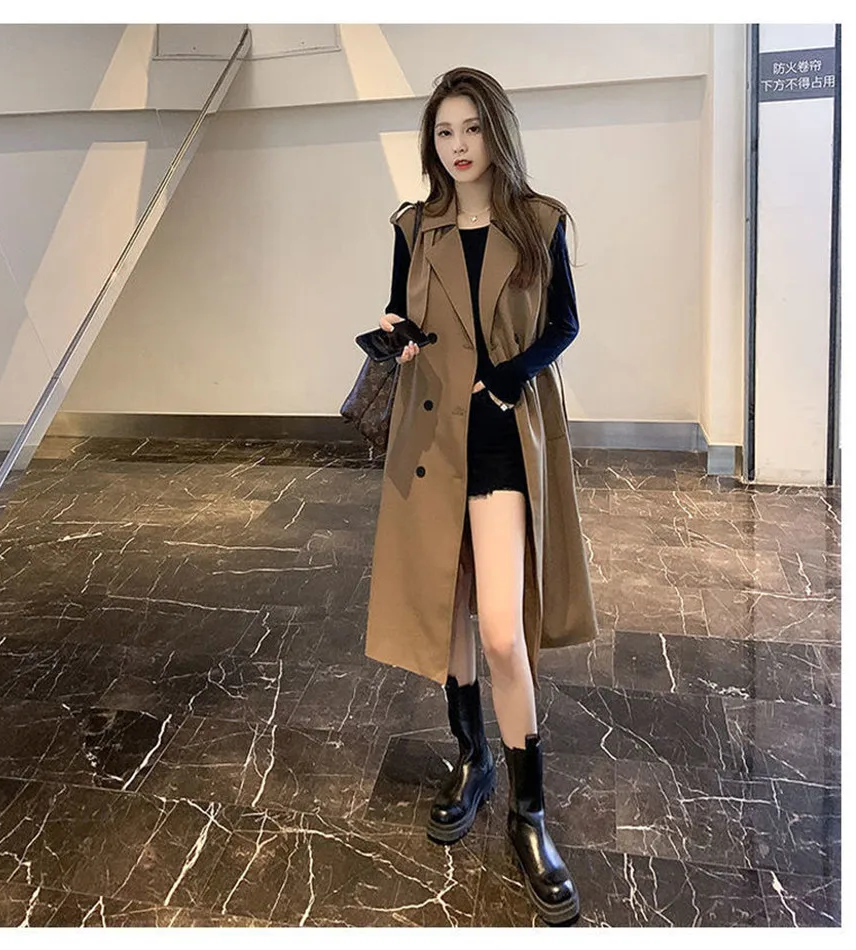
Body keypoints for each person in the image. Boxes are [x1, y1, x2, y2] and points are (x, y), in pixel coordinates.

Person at [364, 66, 598, 926]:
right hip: (431, 442)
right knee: (448, 611)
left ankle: (529, 815)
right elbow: (404, 312)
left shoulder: (539, 221)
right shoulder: (413, 225)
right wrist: (393, 333)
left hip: (500, 435)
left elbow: (565, 322)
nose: (458, 147)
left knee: (501, 628)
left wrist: (508, 376)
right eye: (444, 132)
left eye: (470, 129)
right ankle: (474, 757)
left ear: (495, 132)